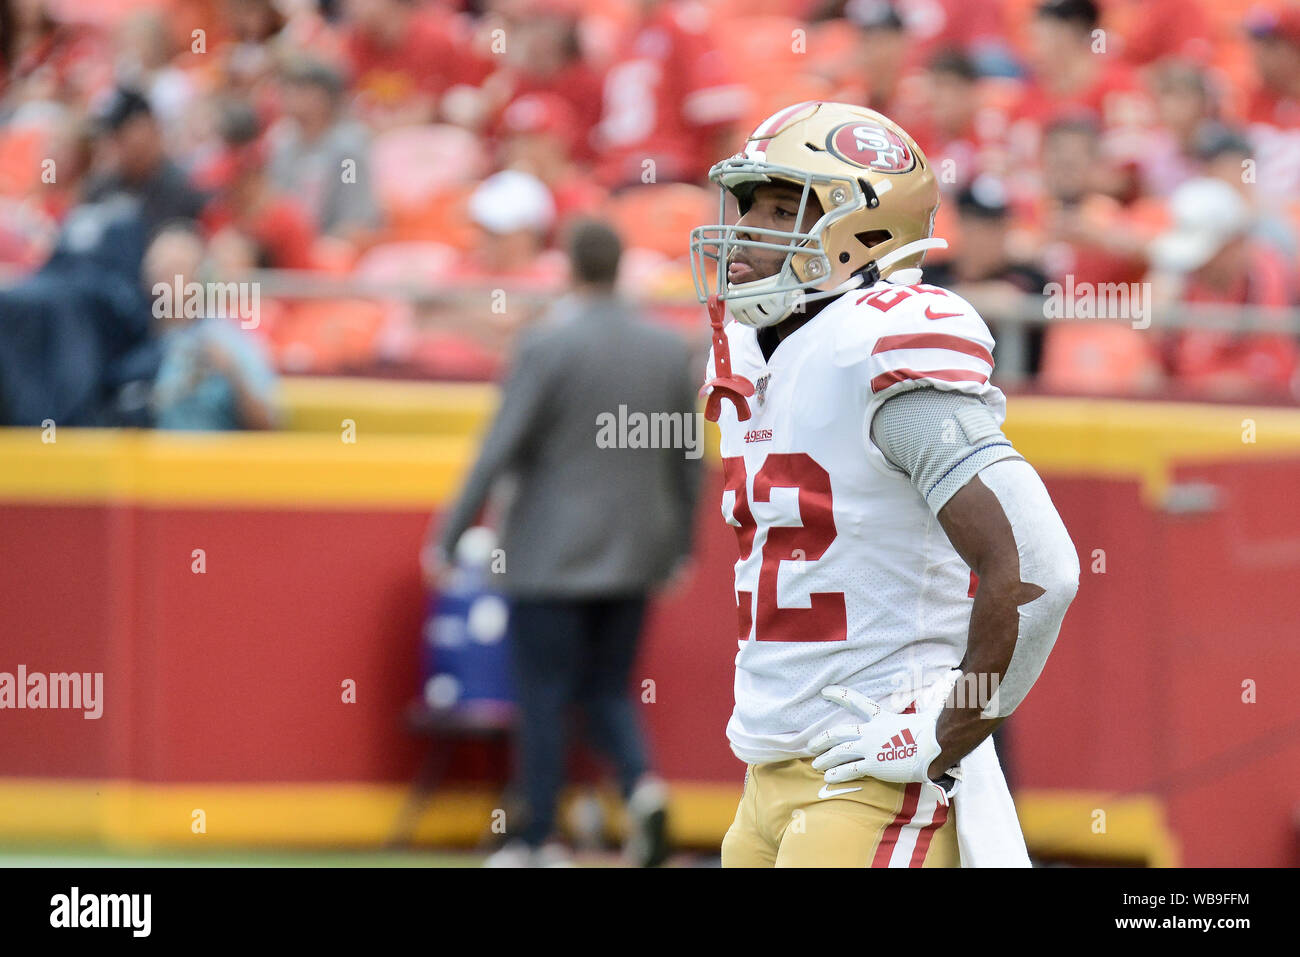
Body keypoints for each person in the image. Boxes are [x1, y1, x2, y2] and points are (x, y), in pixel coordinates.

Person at [689, 101, 1079, 867]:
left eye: (779, 209)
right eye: (746, 205)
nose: (742, 233)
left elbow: (1042, 568)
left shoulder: (878, 343)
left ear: (859, 231)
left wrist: (943, 727)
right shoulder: (757, 350)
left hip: (871, 772)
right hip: (767, 775)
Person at [424, 219, 702, 867]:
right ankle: (643, 787)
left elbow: (499, 445)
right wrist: (682, 545)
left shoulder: (545, 344)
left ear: (570, 268)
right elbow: (687, 458)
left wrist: (451, 534)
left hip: (550, 553)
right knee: (607, 688)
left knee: (544, 694)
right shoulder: (665, 348)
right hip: (637, 551)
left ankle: (538, 836)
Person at [146, 224, 282, 430]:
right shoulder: (136, 337)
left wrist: (232, 372)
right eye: (162, 269)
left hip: (215, 458)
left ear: (200, 275)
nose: (167, 281)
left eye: (178, 269)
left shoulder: (229, 337)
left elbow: (269, 424)